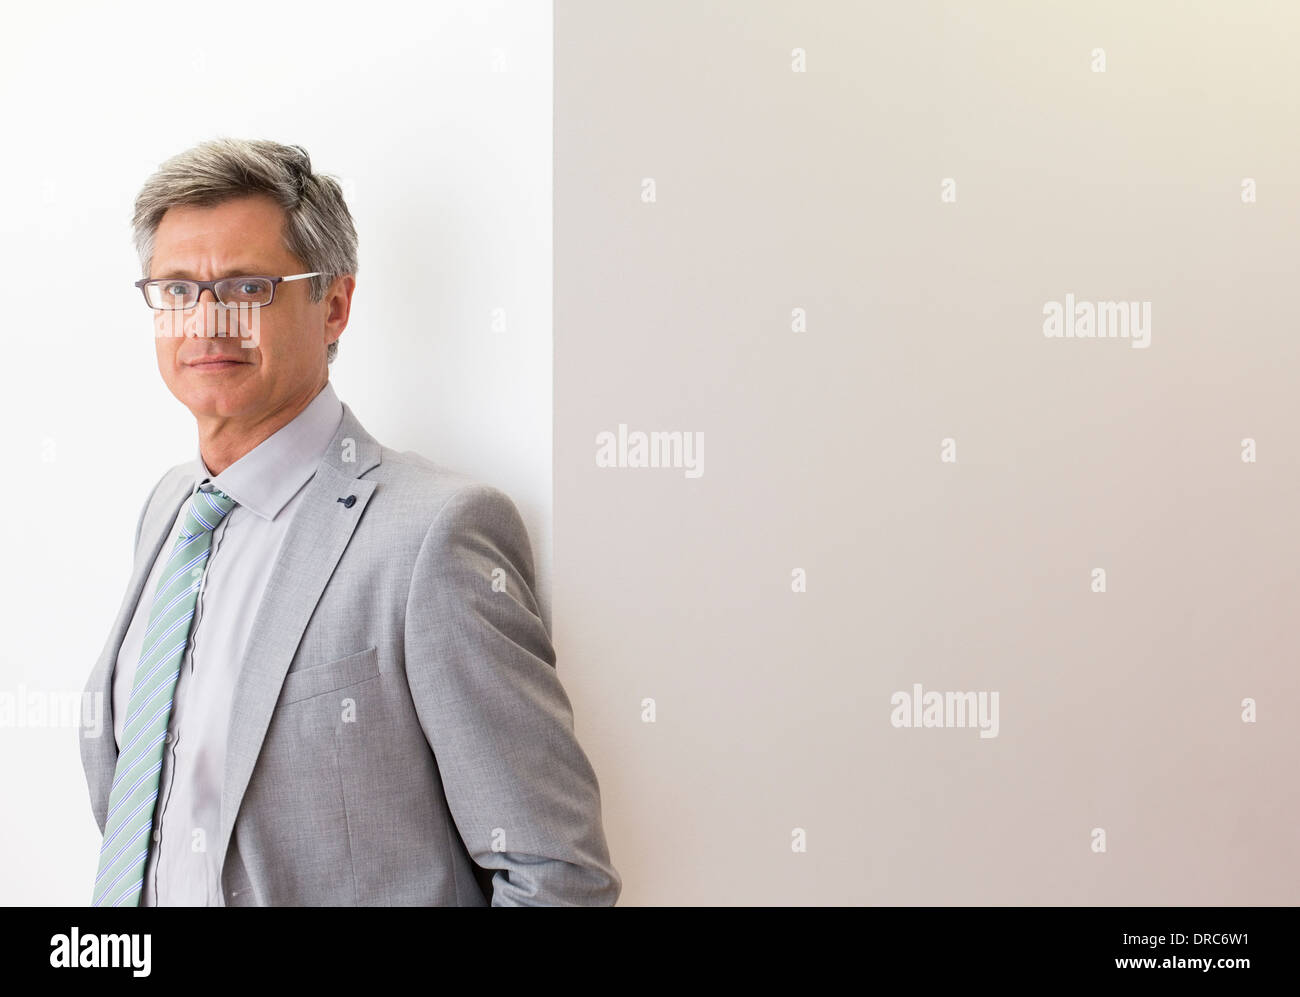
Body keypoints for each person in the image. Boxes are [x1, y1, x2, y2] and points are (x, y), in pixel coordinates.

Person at [79, 138, 620, 906]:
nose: (207, 320)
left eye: (247, 287)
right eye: (177, 289)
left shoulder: (434, 535)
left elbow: (556, 875)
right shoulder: (171, 510)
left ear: (332, 303)